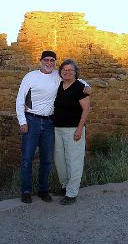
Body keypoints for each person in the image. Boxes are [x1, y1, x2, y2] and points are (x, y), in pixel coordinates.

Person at [16, 51, 90, 204]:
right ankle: (26, 191)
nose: (49, 63)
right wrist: (22, 121)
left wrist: (87, 86)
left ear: (55, 62)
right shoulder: (30, 76)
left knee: (47, 160)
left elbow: (76, 79)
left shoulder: (57, 75)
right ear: (41, 60)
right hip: (32, 120)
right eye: (46, 60)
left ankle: (44, 190)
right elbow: (20, 99)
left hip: (50, 123)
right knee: (27, 158)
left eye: (52, 60)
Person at [53, 59, 91, 205]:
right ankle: (65, 186)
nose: (67, 72)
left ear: (76, 73)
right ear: (61, 71)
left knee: (74, 160)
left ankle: (72, 193)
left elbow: (86, 109)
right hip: (57, 128)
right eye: (65, 70)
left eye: (70, 70)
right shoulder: (59, 85)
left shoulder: (80, 87)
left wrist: (80, 128)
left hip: (74, 129)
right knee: (60, 160)